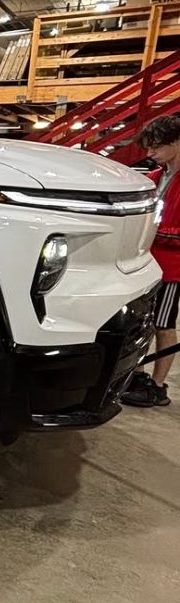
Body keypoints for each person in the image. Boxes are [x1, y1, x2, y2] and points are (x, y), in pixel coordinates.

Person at [122, 115, 180, 407]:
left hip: (173, 267)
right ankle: (139, 376)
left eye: (156, 147)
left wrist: (159, 231)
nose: (150, 154)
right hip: (148, 263)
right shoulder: (157, 177)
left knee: (164, 324)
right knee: (142, 321)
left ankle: (158, 385)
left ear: (177, 143)